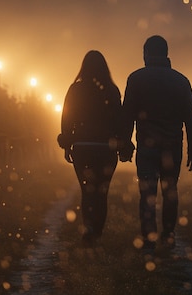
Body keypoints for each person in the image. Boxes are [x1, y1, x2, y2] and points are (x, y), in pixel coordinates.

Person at [120, 35, 192, 252]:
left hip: (146, 146)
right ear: (166, 54)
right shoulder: (181, 81)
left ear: (145, 54)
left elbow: (127, 115)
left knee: (147, 193)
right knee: (170, 191)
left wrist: (124, 145)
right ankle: (168, 235)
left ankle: (148, 237)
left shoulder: (135, 79)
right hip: (172, 147)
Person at [57, 50, 123, 247]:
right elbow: (119, 120)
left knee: (87, 191)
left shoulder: (75, 90)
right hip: (106, 148)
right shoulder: (111, 90)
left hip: (82, 147)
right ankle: (97, 232)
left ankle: (88, 231)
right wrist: (121, 143)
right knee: (102, 193)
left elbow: (66, 118)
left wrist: (67, 144)